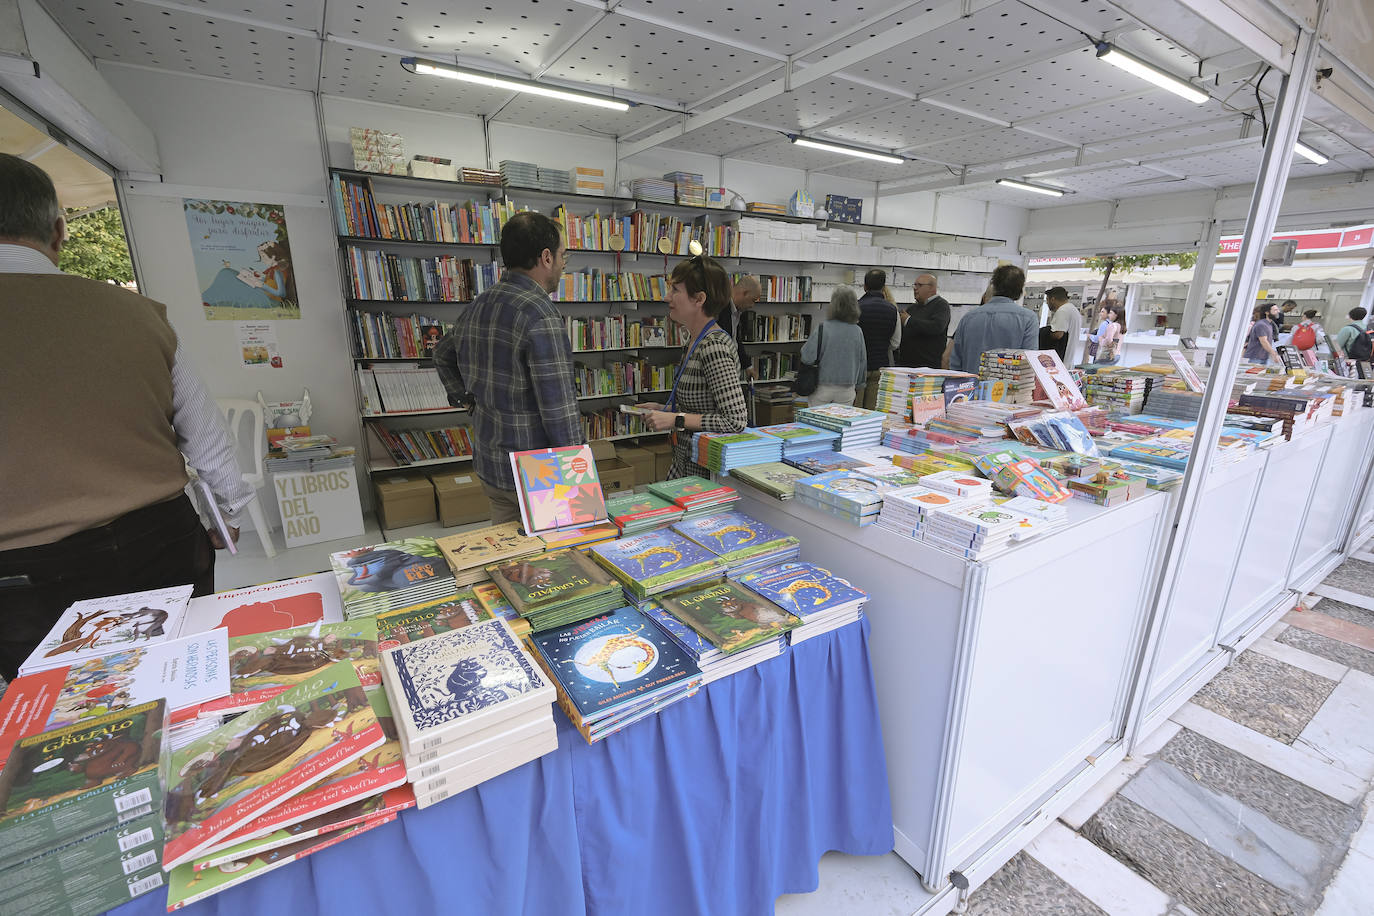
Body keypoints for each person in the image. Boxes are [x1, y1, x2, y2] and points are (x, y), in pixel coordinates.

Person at [0, 153, 254, 680]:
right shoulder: (136, 313)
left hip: (20, 572)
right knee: (183, 676)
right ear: (58, 230)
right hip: (157, 538)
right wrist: (224, 518)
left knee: (64, 711)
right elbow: (205, 435)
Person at [434, 211, 582, 524]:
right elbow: (559, 409)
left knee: (511, 559)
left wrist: (466, 398)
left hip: (490, 462)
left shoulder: (480, 303)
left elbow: (442, 354)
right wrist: (577, 478)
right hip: (537, 473)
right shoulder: (541, 315)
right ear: (545, 257)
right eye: (561, 255)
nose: (562, 264)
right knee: (552, 562)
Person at [639, 255, 748, 478]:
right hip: (685, 462)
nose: (667, 296)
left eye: (676, 290)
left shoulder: (713, 347)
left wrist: (675, 419)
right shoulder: (694, 339)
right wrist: (665, 410)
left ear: (699, 299)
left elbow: (735, 421)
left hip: (704, 473)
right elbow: (701, 407)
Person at [948, 264, 1038, 371]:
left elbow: (955, 360)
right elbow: (1028, 362)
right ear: (1020, 290)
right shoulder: (1028, 318)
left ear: (994, 285)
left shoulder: (969, 317)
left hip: (969, 385)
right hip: (1007, 386)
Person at [799, 288, 868, 407]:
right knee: (842, 423)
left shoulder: (823, 328)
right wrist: (859, 385)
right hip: (847, 389)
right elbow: (862, 361)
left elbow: (807, 357)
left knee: (817, 423)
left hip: (822, 387)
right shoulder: (858, 331)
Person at [856, 269, 901, 409]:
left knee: (855, 411)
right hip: (881, 367)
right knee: (872, 412)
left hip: (858, 368)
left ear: (864, 286)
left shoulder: (856, 307)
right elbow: (895, 343)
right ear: (883, 287)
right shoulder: (893, 310)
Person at [898, 273, 950, 369]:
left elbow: (936, 327)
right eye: (915, 285)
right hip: (907, 366)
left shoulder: (941, 305)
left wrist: (909, 321)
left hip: (929, 367)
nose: (915, 288)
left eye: (920, 285)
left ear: (931, 288)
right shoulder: (912, 308)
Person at [718, 273, 761, 380]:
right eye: (753, 300)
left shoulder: (737, 312)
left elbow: (736, 340)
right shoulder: (720, 308)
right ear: (744, 293)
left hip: (731, 371)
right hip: (721, 371)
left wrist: (748, 367)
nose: (752, 305)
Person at [1045, 286, 1082, 365]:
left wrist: (1044, 332)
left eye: (1047, 300)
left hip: (1061, 361)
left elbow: (1058, 334)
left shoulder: (1063, 311)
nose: (1047, 303)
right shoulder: (1073, 309)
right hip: (1069, 360)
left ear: (1053, 299)